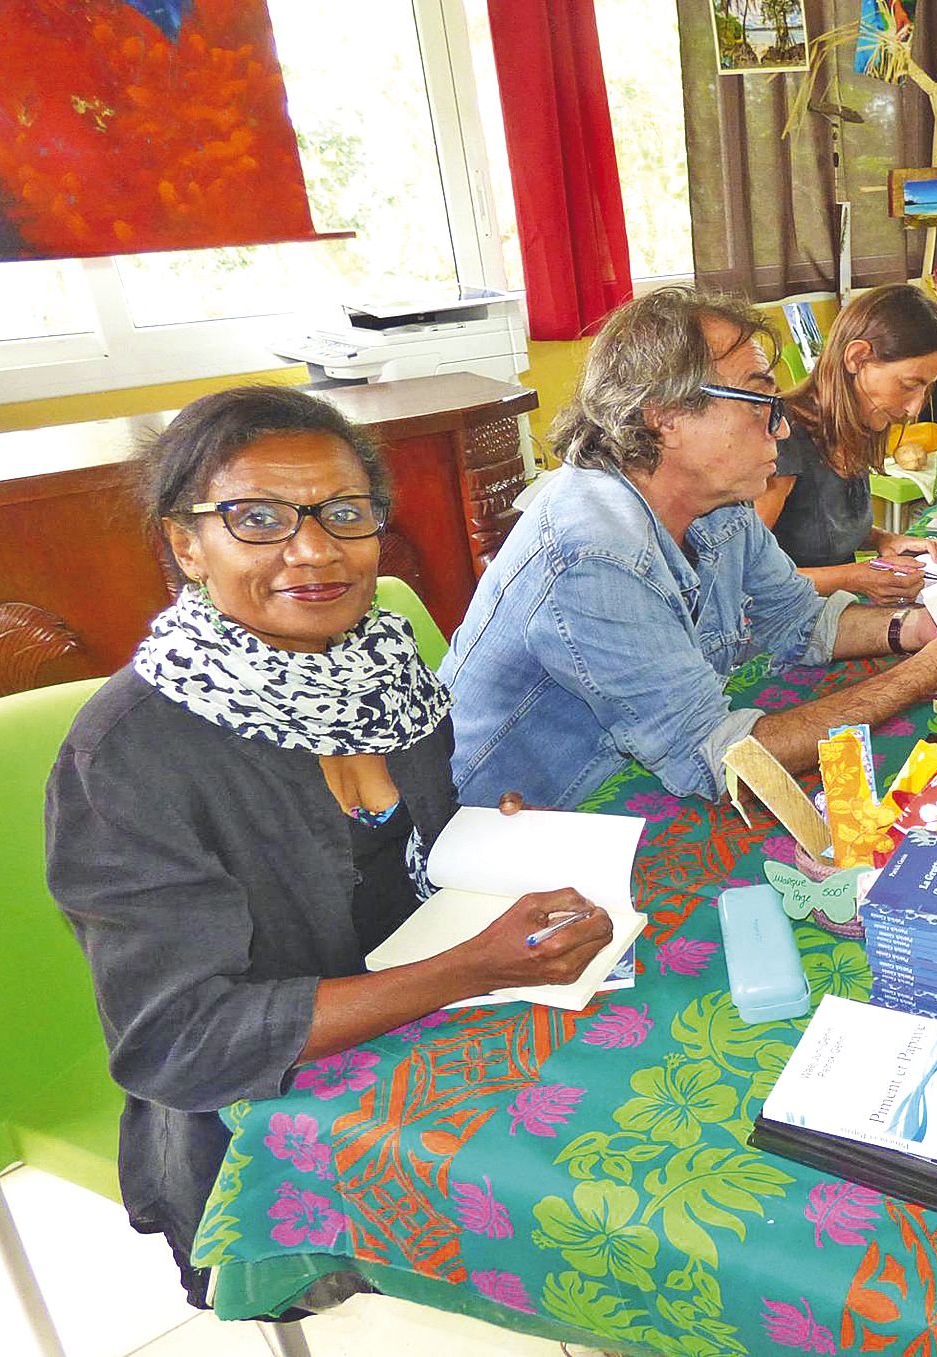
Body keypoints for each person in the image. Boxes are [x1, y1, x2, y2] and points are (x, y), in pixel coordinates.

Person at [45, 387, 617, 1305]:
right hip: (277, 1128)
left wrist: (480, 838)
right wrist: (469, 967)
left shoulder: (381, 666)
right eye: (257, 519)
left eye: (345, 513)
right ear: (186, 544)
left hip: (436, 1021)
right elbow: (179, 1040)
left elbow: (402, 857)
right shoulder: (129, 755)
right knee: (597, 1222)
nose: (314, 550)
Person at [440, 287, 937, 811]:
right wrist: (927, 673)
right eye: (758, 403)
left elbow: (799, 620)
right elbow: (721, 761)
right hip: (529, 824)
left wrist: (921, 628)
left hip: (629, 782)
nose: (781, 428)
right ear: (666, 416)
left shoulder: (721, 502)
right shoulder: (596, 556)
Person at [756, 283, 937, 605]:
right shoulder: (781, 436)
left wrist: (883, 539)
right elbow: (747, 577)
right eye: (909, 385)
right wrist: (855, 577)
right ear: (857, 357)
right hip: (778, 620)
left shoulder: (854, 424)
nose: (914, 408)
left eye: (926, 389)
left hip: (832, 607)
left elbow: (819, 526)